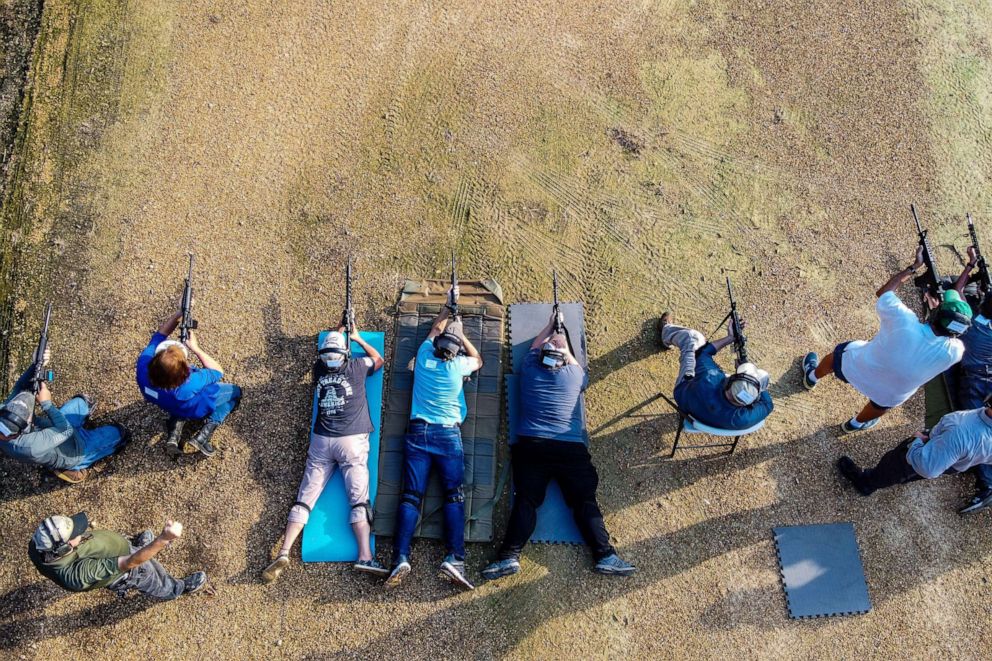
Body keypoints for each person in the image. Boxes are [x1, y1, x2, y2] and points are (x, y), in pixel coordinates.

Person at [482, 311, 635, 581]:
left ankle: (509, 556)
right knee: (584, 501)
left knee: (527, 501)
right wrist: (563, 340)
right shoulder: (574, 375)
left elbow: (534, 346)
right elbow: (578, 367)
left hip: (532, 446)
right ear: (565, 360)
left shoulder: (529, 368)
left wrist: (550, 327)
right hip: (570, 449)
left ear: (542, 354)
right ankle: (605, 556)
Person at [262, 319, 387, 582]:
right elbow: (378, 359)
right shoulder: (356, 366)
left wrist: (340, 333)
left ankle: (284, 550)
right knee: (359, 500)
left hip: (321, 440)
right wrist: (358, 339)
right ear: (345, 353)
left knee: (305, 498)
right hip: (351, 442)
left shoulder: (318, 370)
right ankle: (365, 555)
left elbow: (328, 355)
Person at [802, 248, 971, 433]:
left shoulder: (905, 320)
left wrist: (913, 267)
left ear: (936, 311)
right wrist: (968, 267)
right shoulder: (956, 351)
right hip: (888, 395)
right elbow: (957, 303)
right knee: (881, 406)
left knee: (837, 357)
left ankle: (811, 377)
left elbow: (884, 292)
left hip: (857, 367)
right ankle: (854, 425)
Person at [386, 285, 481, 590]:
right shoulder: (458, 367)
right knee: (453, 495)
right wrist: (462, 334)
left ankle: (400, 556)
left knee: (410, 496)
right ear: (456, 352)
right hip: (448, 435)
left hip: (417, 432)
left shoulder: (424, 354)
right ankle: (454, 557)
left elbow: (433, 330)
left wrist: (447, 308)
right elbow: (477, 358)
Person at [0, 349, 127, 483]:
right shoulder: (29, 447)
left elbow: (19, 387)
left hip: (51, 429)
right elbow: (66, 431)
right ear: (25, 428)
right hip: (71, 450)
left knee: (83, 401)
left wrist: (36, 364)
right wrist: (46, 404)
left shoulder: (6, 414)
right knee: (120, 433)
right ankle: (71, 467)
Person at [28, 511, 207, 600]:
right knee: (152, 577)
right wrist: (163, 539)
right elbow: (130, 562)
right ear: (62, 549)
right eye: (75, 535)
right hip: (128, 570)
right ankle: (177, 589)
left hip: (115, 550)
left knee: (130, 547)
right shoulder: (78, 575)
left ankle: (139, 546)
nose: (80, 533)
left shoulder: (38, 546)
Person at [136, 308, 241, 457]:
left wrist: (179, 314)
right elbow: (218, 371)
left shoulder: (142, 368)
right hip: (197, 408)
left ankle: (175, 427)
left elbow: (160, 335)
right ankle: (205, 434)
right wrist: (196, 349)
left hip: (167, 404)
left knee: (179, 406)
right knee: (235, 393)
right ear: (184, 372)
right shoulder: (190, 382)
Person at [836, 400, 992, 498]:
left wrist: (917, 441)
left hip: (929, 449)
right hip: (953, 459)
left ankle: (866, 483)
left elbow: (927, 468)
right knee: (905, 475)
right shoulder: (971, 430)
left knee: (894, 468)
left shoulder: (961, 432)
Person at [656, 312, 773, 430]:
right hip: (709, 421)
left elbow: (702, 353)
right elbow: (768, 404)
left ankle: (666, 332)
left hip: (685, 397)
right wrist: (753, 383)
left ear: (728, 383)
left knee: (693, 338)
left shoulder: (708, 378)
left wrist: (729, 338)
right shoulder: (742, 419)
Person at [943, 248, 992, 513]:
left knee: (978, 429)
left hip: (973, 381)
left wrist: (969, 266)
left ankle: (987, 485)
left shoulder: (971, 325)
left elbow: (955, 290)